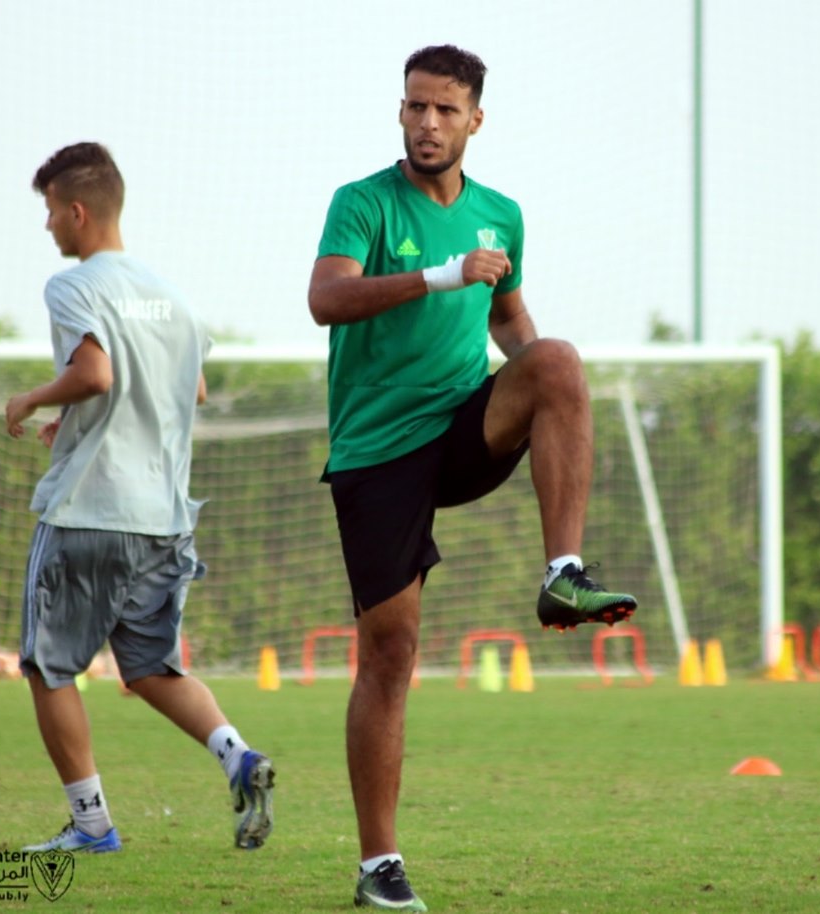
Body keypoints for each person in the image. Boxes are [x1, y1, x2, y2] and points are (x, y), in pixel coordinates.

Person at [307, 46, 637, 911]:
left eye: (445, 110)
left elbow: (509, 314)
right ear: (401, 111)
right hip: (378, 452)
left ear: (474, 121)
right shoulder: (363, 202)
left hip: (461, 427)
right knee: (391, 652)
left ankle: (562, 575)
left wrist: (554, 395)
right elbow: (326, 299)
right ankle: (379, 867)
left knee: (560, 360)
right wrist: (441, 274)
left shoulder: (501, 215)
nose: (426, 123)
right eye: (415, 107)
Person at [5, 142, 274, 854]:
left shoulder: (72, 287)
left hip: (90, 511)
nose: (48, 229)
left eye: (50, 213)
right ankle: (237, 755)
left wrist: (36, 397)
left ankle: (91, 824)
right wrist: (81, 416)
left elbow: (94, 372)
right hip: (163, 518)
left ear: (77, 211)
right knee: (152, 667)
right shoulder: (172, 298)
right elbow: (192, 390)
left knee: (48, 665)